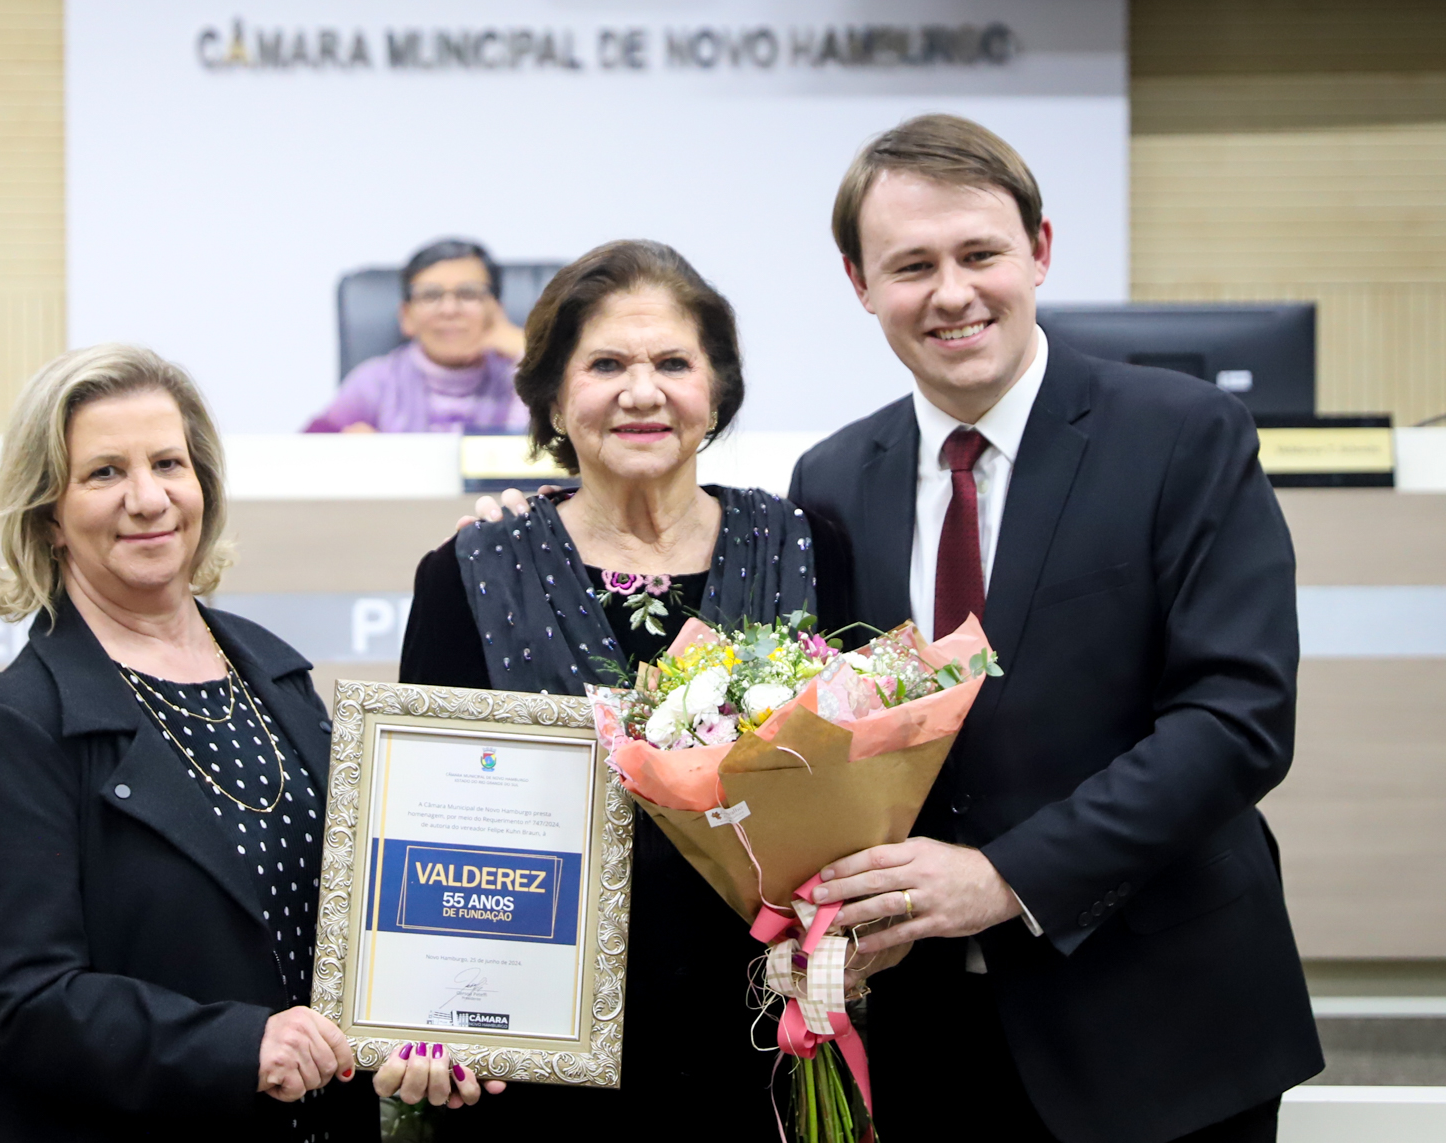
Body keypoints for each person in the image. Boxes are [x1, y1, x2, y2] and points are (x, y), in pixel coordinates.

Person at [789, 115, 1322, 1142]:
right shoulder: (831, 480)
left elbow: (1235, 717)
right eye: (910, 265)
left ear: (1037, 250)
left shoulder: (1181, 435)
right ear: (858, 283)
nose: (950, 293)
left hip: (1161, 1023)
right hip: (927, 1036)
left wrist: (1004, 879)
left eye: (978, 253)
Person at [0, 343, 499, 1141]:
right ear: (48, 514)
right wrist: (241, 1045)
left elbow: (357, 915)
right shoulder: (20, 718)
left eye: (169, 462)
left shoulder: (272, 671)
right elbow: (24, 999)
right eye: (104, 473)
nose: (147, 497)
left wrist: (429, 1023)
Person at [399, 239, 820, 1137]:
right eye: (606, 365)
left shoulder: (802, 545)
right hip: (540, 1061)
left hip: (761, 1038)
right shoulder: (469, 572)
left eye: (673, 362)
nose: (642, 391)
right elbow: (428, 828)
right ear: (554, 395)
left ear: (717, 391)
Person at [305, 238, 529, 433]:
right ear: (406, 316)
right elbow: (305, 450)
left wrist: (531, 355)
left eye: (468, 293)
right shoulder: (377, 381)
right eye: (430, 295)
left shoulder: (519, 375)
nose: (449, 310)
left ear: (497, 308)